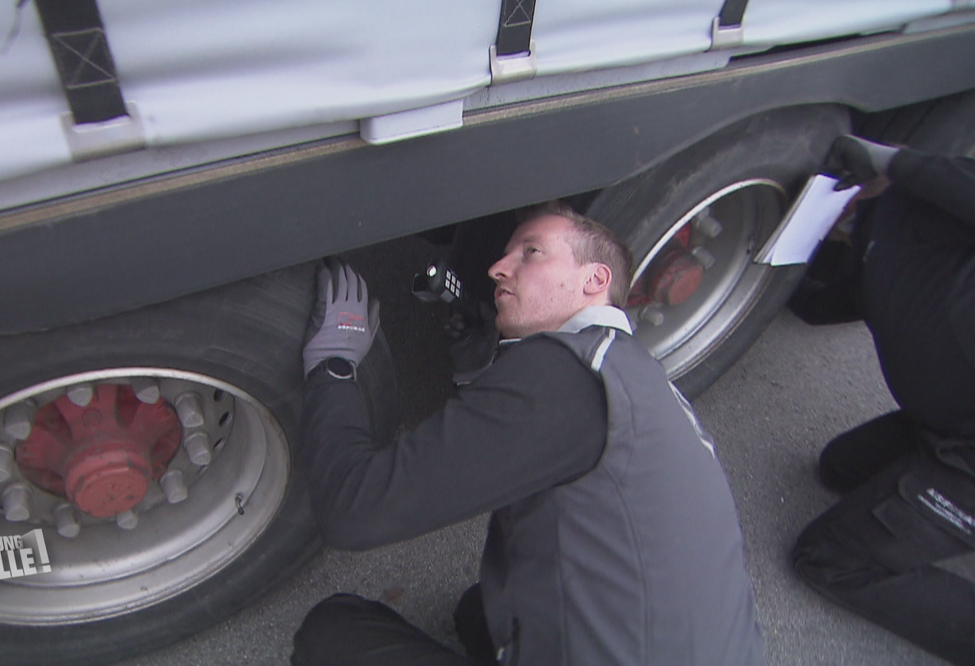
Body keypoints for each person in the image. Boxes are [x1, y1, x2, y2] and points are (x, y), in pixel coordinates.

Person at [293, 202, 765, 666]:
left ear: (595, 279)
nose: (498, 267)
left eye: (531, 252)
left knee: (331, 632)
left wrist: (334, 366)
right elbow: (541, 448)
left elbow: (353, 508)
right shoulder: (638, 377)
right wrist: (484, 377)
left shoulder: (565, 377)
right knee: (480, 611)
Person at [788, 136, 975, 665]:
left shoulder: (940, 203)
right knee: (839, 468)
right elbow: (814, 306)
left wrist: (895, 162)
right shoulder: (869, 249)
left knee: (830, 557)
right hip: (945, 426)